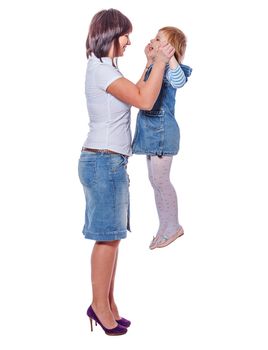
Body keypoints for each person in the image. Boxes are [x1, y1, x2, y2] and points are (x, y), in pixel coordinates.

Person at [78, 9, 175, 336]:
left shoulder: (106, 69)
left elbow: (133, 92)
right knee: (106, 238)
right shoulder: (100, 70)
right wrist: (162, 60)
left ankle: (107, 303)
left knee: (113, 237)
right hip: (103, 161)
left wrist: (150, 64)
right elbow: (145, 100)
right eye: (125, 35)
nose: (130, 41)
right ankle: (99, 306)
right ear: (110, 34)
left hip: (108, 161)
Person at [132, 26, 192, 250]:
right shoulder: (156, 68)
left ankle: (173, 226)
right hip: (150, 132)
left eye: (158, 39)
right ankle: (164, 226)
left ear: (169, 49)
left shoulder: (171, 70)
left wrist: (171, 59)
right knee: (155, 182)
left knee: (161, 181)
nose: (152, 40)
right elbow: (141, 90)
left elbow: (179, 81)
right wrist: (149, 60)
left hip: (162, 133)